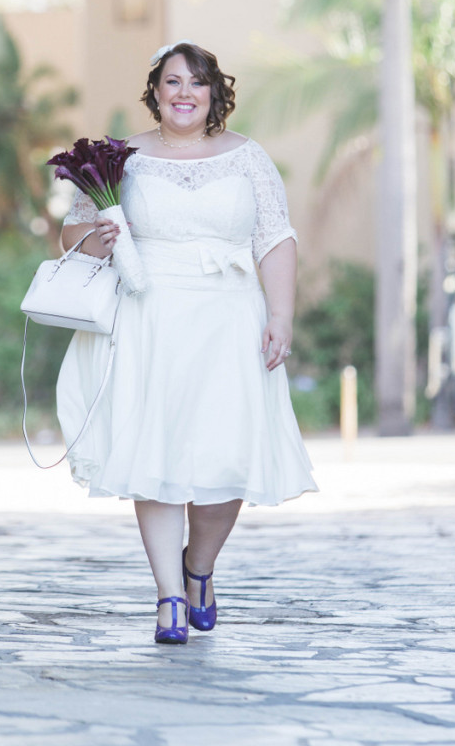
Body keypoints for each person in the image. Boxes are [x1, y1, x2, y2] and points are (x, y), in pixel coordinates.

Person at [58, 41, 317, 644]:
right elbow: (70, 235)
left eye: (196, 83)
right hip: (151, 318)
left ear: (214, 94)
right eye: (171, 81)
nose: (183, 93)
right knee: (156, 457)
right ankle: (168, 595)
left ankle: (198, 568)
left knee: (228, 458)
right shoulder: (121, 158)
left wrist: (281, 314)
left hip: (230, 318)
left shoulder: (248, 158)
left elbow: (275, 239)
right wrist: (105, 231)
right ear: (154, 92)